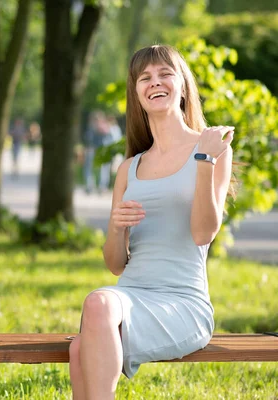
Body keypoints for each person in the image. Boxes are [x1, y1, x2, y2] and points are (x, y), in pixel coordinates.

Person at [69, 44, 235, 399]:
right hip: (131, 294)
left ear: (183, 86)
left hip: (183, 303)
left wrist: (204, 160)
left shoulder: (211, 147)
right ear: (137, 94)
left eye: (164, 74)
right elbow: (116, 265)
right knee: (79, 345)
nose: (154, 82)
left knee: (90, 325)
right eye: (144, 77)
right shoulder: (129, 168)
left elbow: (203, 232)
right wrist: (117, 227)